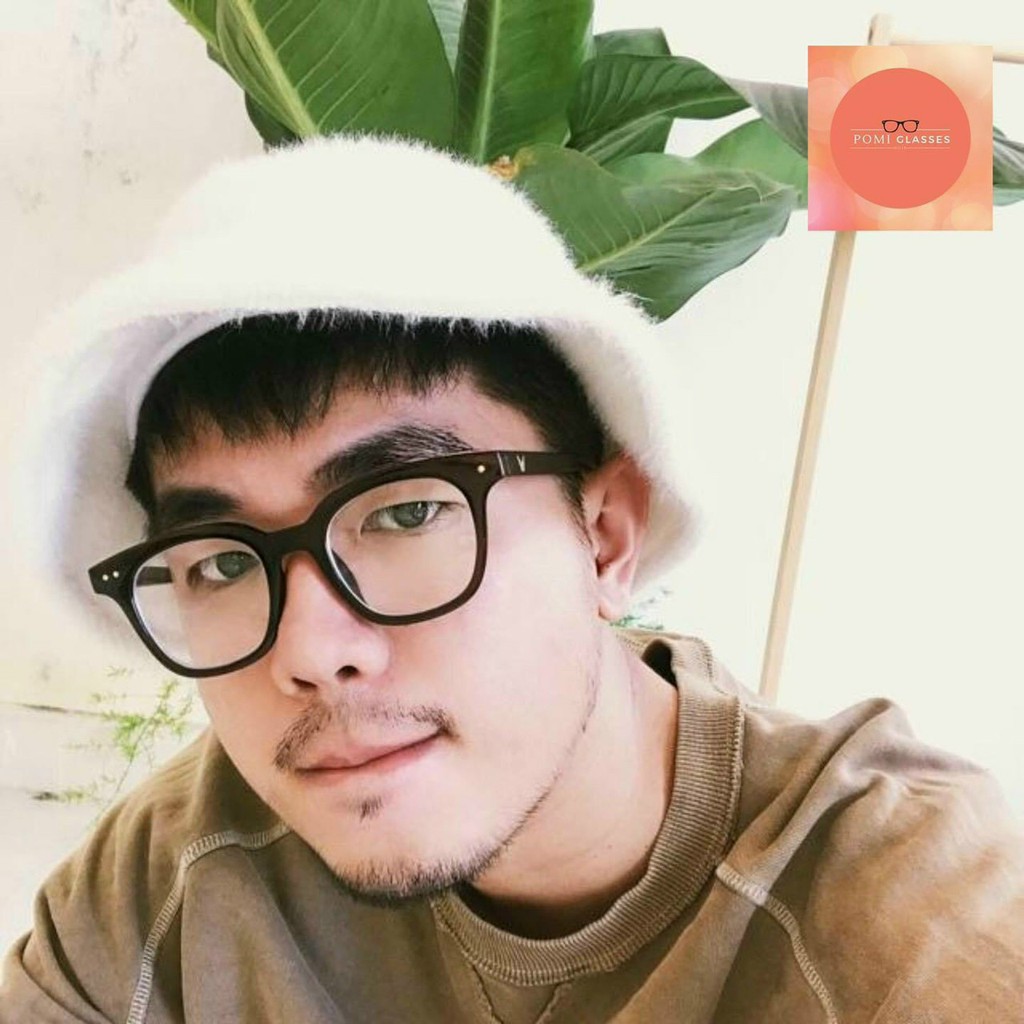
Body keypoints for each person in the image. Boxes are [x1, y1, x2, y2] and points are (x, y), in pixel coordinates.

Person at [2, 133, 1021, 1024]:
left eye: (406, 512)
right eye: (223, 562)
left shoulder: (907, 918)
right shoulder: (178, 877)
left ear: (606, 536)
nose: (310, 652)